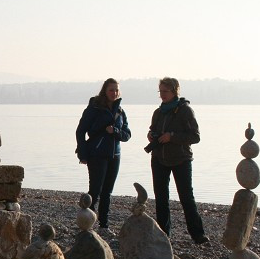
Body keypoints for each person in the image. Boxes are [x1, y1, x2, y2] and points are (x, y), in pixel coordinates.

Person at [146, 77, 209, 245]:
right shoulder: (158, 112)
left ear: (174, 91)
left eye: (165, 91)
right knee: (161, 198)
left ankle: (198, 234)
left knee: (186, 197)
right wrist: (152, 135)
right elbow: (153, 130)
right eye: (160, 91)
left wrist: (172, 137)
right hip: (159, 158)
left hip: (181, 159)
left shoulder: (185, 111)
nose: (162, 95)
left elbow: (195, 137)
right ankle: (163, 235)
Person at [75, 78, 131, 231]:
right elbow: (80, 131)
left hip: (115, 155)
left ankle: (104, 225)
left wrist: (116, 131)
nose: (114, 93)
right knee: (95, 190)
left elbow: (127, 135)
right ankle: (87, 223)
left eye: (116, 90)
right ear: (104, 91)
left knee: (107, 192)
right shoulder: (94, 108)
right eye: (111, 90)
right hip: (97, 154)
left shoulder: (120, 111)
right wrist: (83, 154)